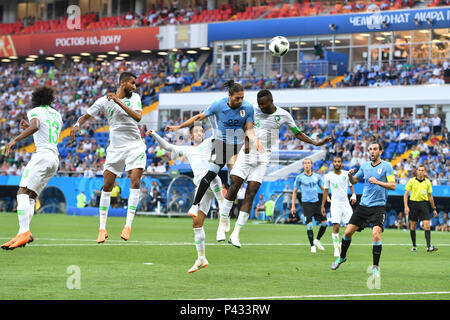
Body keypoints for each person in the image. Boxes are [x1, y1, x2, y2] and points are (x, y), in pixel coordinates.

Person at [218, 89, 331, 246]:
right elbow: (244, 126)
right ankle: (223, 221)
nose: (261, 107)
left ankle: (235, 234)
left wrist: (316, 143)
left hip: (263, 157)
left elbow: (297, 133)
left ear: (271, 102)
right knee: (235, 184)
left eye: (263, 104)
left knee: (251, 193)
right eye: (259, 104)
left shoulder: (283, 115)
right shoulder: (252, 109)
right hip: (247, 152)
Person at [165, 80, 263, 232]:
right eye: (237, 98)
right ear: (229, 96)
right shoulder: (218, 105)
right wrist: (178, 127)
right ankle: (195, 205)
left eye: (242, 97)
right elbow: (198, 117)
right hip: (221, 145)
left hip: (237, 148)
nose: (240, 100)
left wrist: (255, 139)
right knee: (210, 174)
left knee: (236, 180)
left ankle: (224, 217)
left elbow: (249, 129)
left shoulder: (248, 108)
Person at [70, 72, 146, 243]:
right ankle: (102, 228)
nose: (135, 87)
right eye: (132, 83)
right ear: (123, 83)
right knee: (107, 185)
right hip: (115, 148)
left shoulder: (135, 98)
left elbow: (138, 117)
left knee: (135, 180)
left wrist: (118, 102)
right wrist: (76, 125)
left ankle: (128, 226)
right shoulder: (103, 101)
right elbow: (86, 116)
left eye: (135, 84)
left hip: (135, 145)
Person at [146, 124, 224, 273]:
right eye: (196, 131)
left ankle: (223, 220)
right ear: (191, 136)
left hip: (212, 181)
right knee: (196, 223)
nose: (200, 132)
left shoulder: (208, 142)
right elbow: (168, 147)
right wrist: (154, 135)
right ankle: (201, 258)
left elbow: (220, 136)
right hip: (200, 188)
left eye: (202, 130)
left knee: (218, 187)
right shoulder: (188, 150)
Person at [2, 86, 63, 250]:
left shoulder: (35, 110)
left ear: (36, 98)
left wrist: (15, 139)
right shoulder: (57, 115)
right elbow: (44, 130)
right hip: (54, 159)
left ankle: (24, 232)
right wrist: (27, 126)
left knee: (21, 193)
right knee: (31, 196)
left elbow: (36, 126)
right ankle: (23, 233)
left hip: (41, 156)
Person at [331, 142, 396, 279]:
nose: (372, 151)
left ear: (380, 151)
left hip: (378, 206)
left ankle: (375, 268)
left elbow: (393, 186)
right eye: (370, 149)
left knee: (376, 235)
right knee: (347, 233)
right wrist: (349, 176)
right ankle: (342, 257)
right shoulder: (365, 166)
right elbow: (355, 180)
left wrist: (378, 182)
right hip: (364, 206)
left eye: (375, 149)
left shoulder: (386, 166)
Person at [321, 156, 357, 257]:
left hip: (346, 204)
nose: (337, 163)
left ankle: (341, 243)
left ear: (341, 164)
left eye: (339, 162)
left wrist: (354, 195)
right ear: (332, 163)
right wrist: (322, 206)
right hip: (335, 204)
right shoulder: (328, 176)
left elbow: (351, 186)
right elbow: (325, 192)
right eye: (335, 162)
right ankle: (336, 248)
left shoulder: (346, 174)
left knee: (351, 227)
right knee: (336, 226)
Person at [291, 158, 328, 253]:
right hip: (306, 204)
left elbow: (323, 189)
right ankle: (312, 246)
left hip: (316, 203)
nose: (307, 165)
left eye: (308, 163)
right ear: (303, 166)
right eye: (305, 163)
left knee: (325, 223)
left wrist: (327, 197)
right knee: (310, 225)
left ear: (311, 165)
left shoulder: (317, 177)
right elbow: (294, 192)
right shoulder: (299, 177)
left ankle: (317, 240)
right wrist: (293, 206)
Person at [403, 165, 438, 252]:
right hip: (413, 204)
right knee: (413, 226)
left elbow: (430, 196)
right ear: (417, 171)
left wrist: (434, 209)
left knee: (427, 225)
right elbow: (406, 194)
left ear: (424, 171)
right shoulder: (411, 181)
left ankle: (429, 246)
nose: (421, 172)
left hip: (424, 204)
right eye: (419, 170)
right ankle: (414, 246)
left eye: (422, 170)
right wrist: (406, 206)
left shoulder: (427, 182)